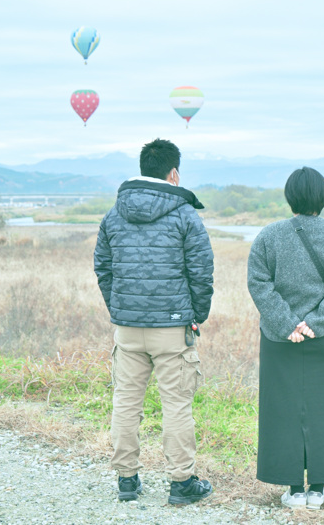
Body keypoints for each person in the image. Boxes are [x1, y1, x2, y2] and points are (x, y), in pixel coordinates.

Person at [93, 138, 214, 506]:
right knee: (176, 404)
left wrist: (120, 308)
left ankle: (126, 480)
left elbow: (103, 267)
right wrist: (196, 316)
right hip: (173, 328)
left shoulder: (114, 214)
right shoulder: (185, 215)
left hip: (127, 328)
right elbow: (202, 273)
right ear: (173, 173)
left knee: (126, 401)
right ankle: (181, 483)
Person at [247, 167, 324, 510]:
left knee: (281, 411)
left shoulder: (268, 236)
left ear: (289, 196)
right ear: (322, 198)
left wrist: (288, 323)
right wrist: (317, 322)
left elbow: (258, 283)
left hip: (279, 339)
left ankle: (295, 490)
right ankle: (319, 491)